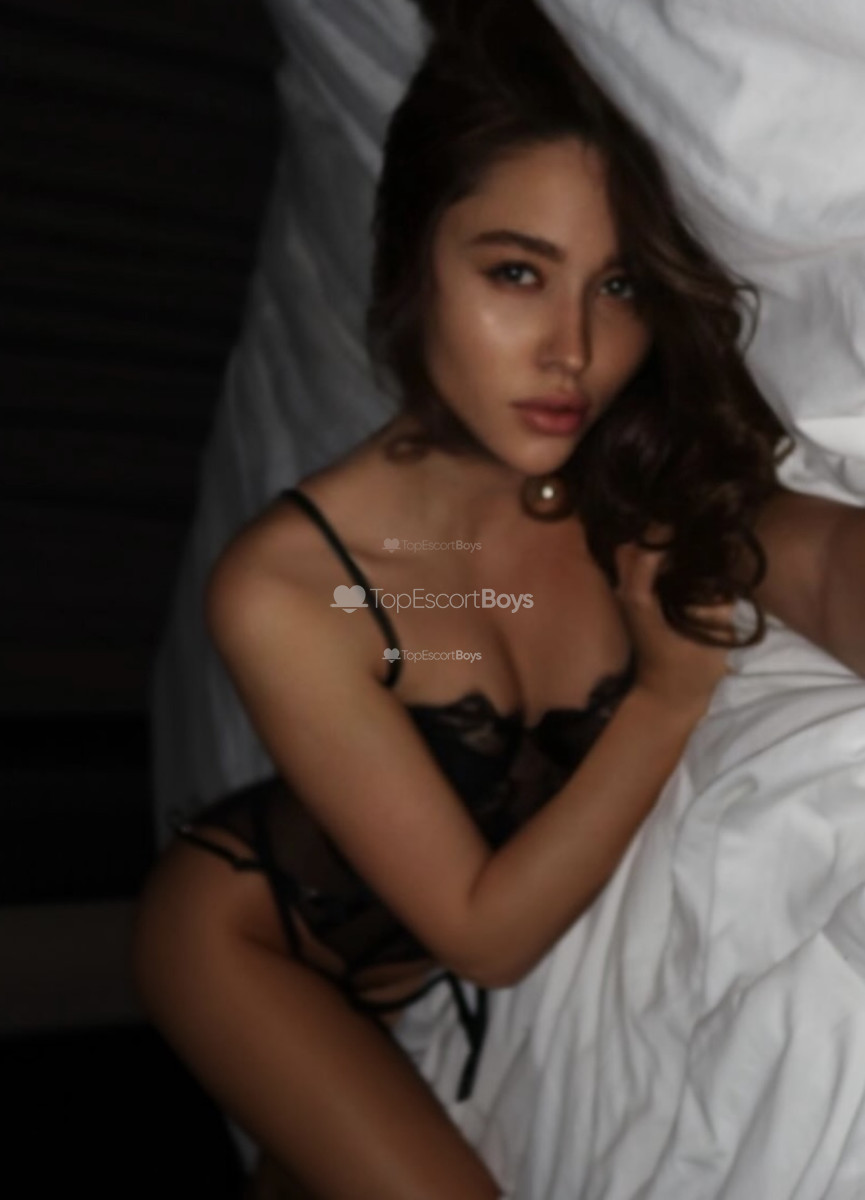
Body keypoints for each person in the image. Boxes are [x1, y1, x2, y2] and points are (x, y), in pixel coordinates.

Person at [133, 3, 865, 1197]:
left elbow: (824, 562)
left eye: (616, 285)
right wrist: (664, 699)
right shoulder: (289, 591)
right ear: (411, 261)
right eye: (515, 273)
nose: (570, 349)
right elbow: (484, 936)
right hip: (258, 944)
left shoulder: (622, 472)